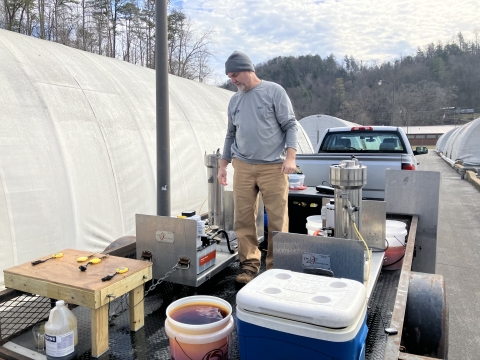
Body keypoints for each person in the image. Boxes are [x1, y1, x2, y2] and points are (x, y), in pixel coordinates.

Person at [218, 51, 298, 284]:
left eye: (235, 75)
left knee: (277, 218)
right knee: (242, 218)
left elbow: (290, 125)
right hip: (242, 165)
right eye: (230, 77)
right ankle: (249, 266)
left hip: (273, 166)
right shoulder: (235, 100)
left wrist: (290, 157)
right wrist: (224, 164)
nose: (233, 80)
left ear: (248, 70)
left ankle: (275, 268)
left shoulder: (274, 91)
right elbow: (230, 134)